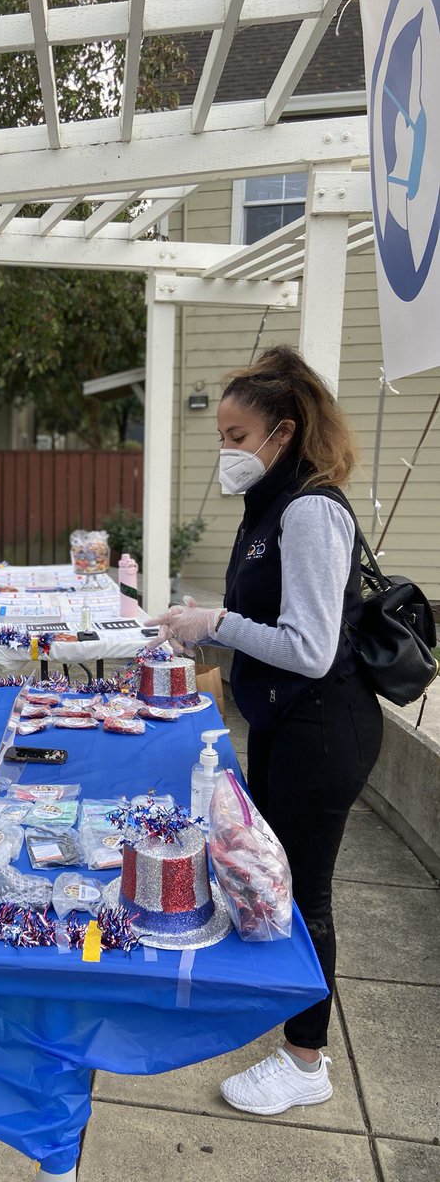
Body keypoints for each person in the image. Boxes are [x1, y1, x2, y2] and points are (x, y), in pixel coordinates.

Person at [148, 345, 382, 1116]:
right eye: (220, 435)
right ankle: (281, 1025)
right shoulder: (270, 508)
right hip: (286, 723)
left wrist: (217, 621)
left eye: (237, 436)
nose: (226, 451)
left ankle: (306, 1062)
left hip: (323, 729)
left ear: (283, 433)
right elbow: (264, 625)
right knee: (267, 874)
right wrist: (204, 627)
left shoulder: (311, 509)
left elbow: (310, 649)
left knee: (303, 893)